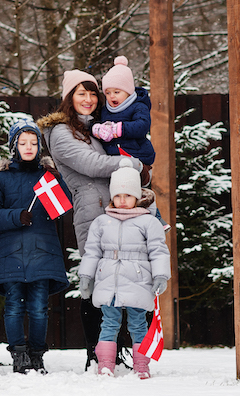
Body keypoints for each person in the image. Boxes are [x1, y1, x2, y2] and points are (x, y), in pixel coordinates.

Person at [37, 70, 148, 369]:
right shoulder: (61, 131)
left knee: (125, 278)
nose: (87, 99)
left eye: (92, 94)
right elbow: (91, 163)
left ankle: (118, 350)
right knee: (98, 282)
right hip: (92, 208)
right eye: (80, 94)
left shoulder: (95, 127)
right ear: (69, 98)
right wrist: (132, 164)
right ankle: (95, 353)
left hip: (117, 206)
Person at [0, 118, 70, 374]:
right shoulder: (1, 178)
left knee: (39, 308)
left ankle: (37, 353)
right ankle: (18, 353)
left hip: (43, 252)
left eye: (33, 142)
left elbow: (64, 205)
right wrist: (15, 216)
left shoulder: (48, 177)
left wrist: (56, 181)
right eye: (23, 142)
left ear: (39, 146)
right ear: (14, 146)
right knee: (14, 307)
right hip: (11, 254)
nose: (28, 147)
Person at [78, 160, 170, 378]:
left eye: (127, 195)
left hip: (138, 282)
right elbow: (92, 252)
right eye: (117, 196)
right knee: (109, 323)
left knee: (138, 324)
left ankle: (141, 366)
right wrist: (86, 276)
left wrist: (160, 275)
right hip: (109, 282)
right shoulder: (101, 222)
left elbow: (158, 251)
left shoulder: (148, 223)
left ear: (137, 196)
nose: (122, 201)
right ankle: (106, 365)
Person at [93, 56, 155, 166]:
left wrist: (118, 129)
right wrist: (96, 129)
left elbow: (142, 125)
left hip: (136, 155)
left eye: (116, 92)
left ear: (128, 92)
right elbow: (93, 121)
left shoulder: (138, 106)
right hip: (112, 158)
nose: (112, 96)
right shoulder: (105, 110)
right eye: (108, 93)